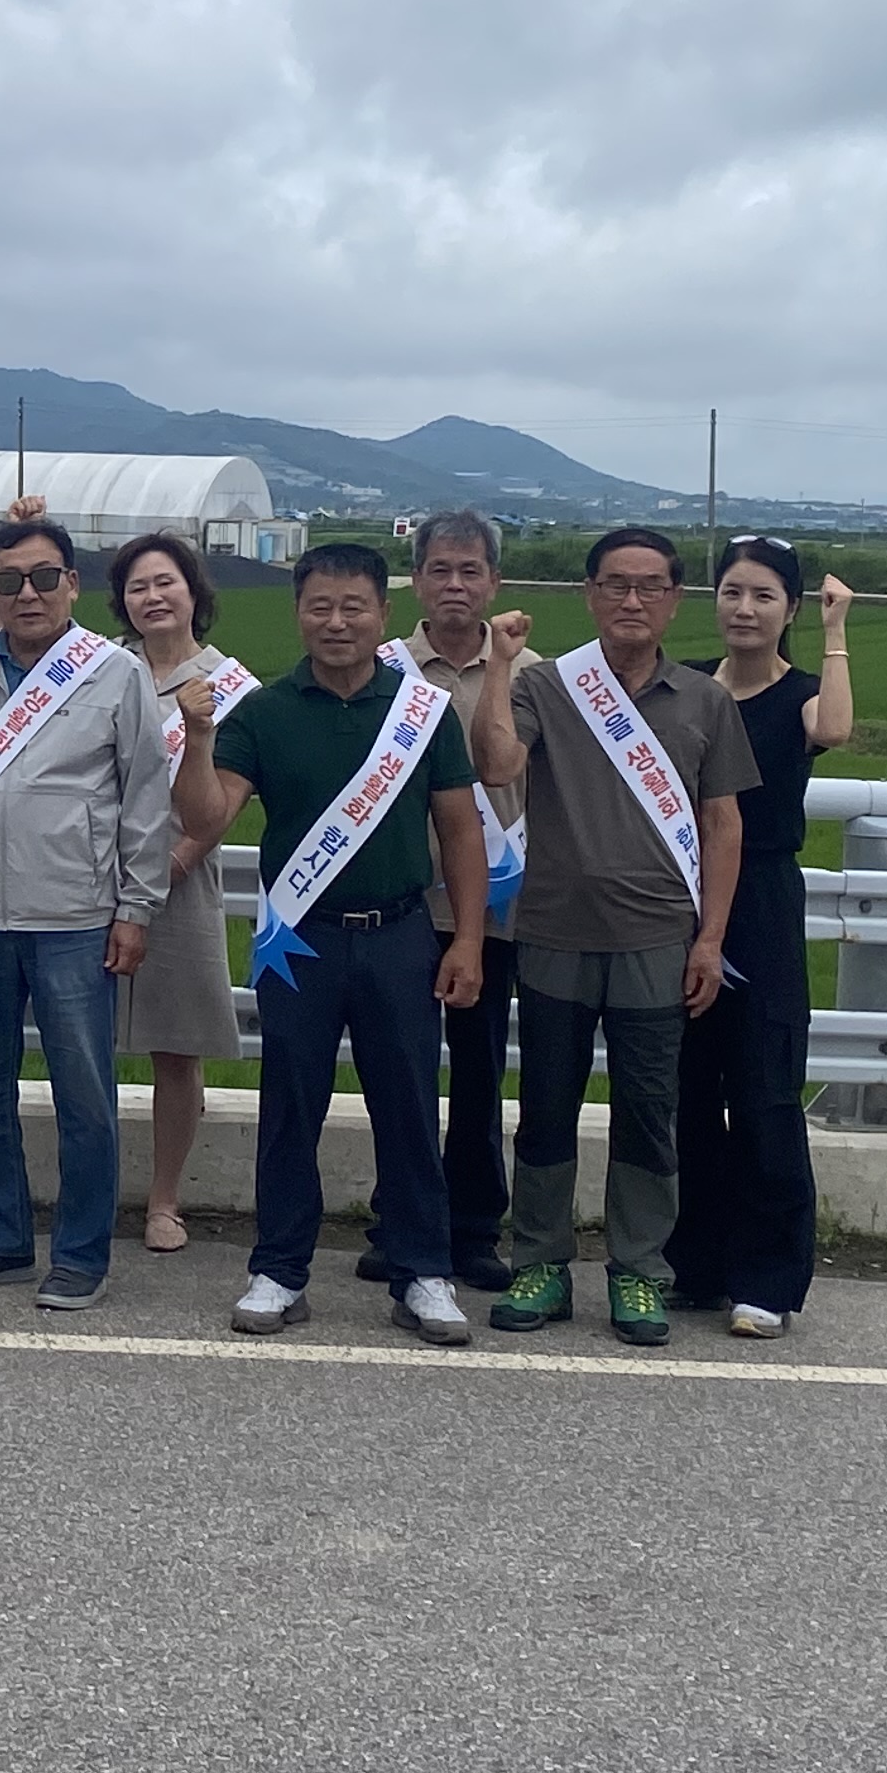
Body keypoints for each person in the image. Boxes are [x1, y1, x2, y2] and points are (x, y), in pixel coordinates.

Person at [0, 514, 186, 1312]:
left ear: (72, 585)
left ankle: (81, 1255)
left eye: (45, 578)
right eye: (10, 581)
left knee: (84, 1096)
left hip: (77, 916)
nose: (28, 594)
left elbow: (145, 797)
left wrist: (136, 907)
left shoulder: (112, 673)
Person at [192, 543, 491, 1344]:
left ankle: (422, 1271)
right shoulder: (263, 713)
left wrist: (467, 939)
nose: (336, 622)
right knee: (290, 1105)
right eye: (319, 606)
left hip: (400, 935)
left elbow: (461, 831)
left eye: (353, 606)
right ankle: (279, 1269)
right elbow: (208, 816)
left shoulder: (422, 711)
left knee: (409, 1106)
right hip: (299, 941)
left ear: (382, 614)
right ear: (298, 613)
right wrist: (196, 737)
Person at [467, 527, 755, 1347]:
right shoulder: (549, 685)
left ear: (674, 600)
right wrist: (498, 664)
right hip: (555, 933)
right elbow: (496, 766)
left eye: (649, 586)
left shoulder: (704, 699)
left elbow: (723, 825)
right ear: (590, 594)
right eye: (615, 585)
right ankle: (540, 1262)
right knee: (546, 1107)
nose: (632, 601)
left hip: (659, 939)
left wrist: (710, 940)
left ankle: (638, 1270)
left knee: (648, 1112)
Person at [669, 536, 854, 1340]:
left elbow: (836, 731)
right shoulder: (683, 687)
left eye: (764, 596)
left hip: (763, 902)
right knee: (686, 1091)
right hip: (680, 897)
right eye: (732, 593)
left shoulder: (802, 696)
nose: (744, 609)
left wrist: (837, 631)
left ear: (790, 609)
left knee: (764, 1089)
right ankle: (696, 1266)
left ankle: (768, 1279)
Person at [104, 532, 252, 1254]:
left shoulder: (232, 685)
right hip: (90, 879)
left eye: (166, 582)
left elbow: (226, 800)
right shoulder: (100, 667)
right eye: (137, 587)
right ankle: (91, 1189)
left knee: (177, 1049)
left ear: (194, 591)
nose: (153, 597)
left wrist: (167, 870)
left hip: (180, 884)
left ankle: (164, 1200)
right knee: (82, 1040)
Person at [401, 510, 527, 1290]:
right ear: (417, 579)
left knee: (480, 1075)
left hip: (495, 906)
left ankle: (476, 1227)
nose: (455, 585)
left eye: (470, 570)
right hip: (403, 903)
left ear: (494, 581)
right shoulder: (384, 668)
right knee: (403, 1074)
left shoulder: (534, 671)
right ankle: (403, 1218)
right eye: (440, 570)